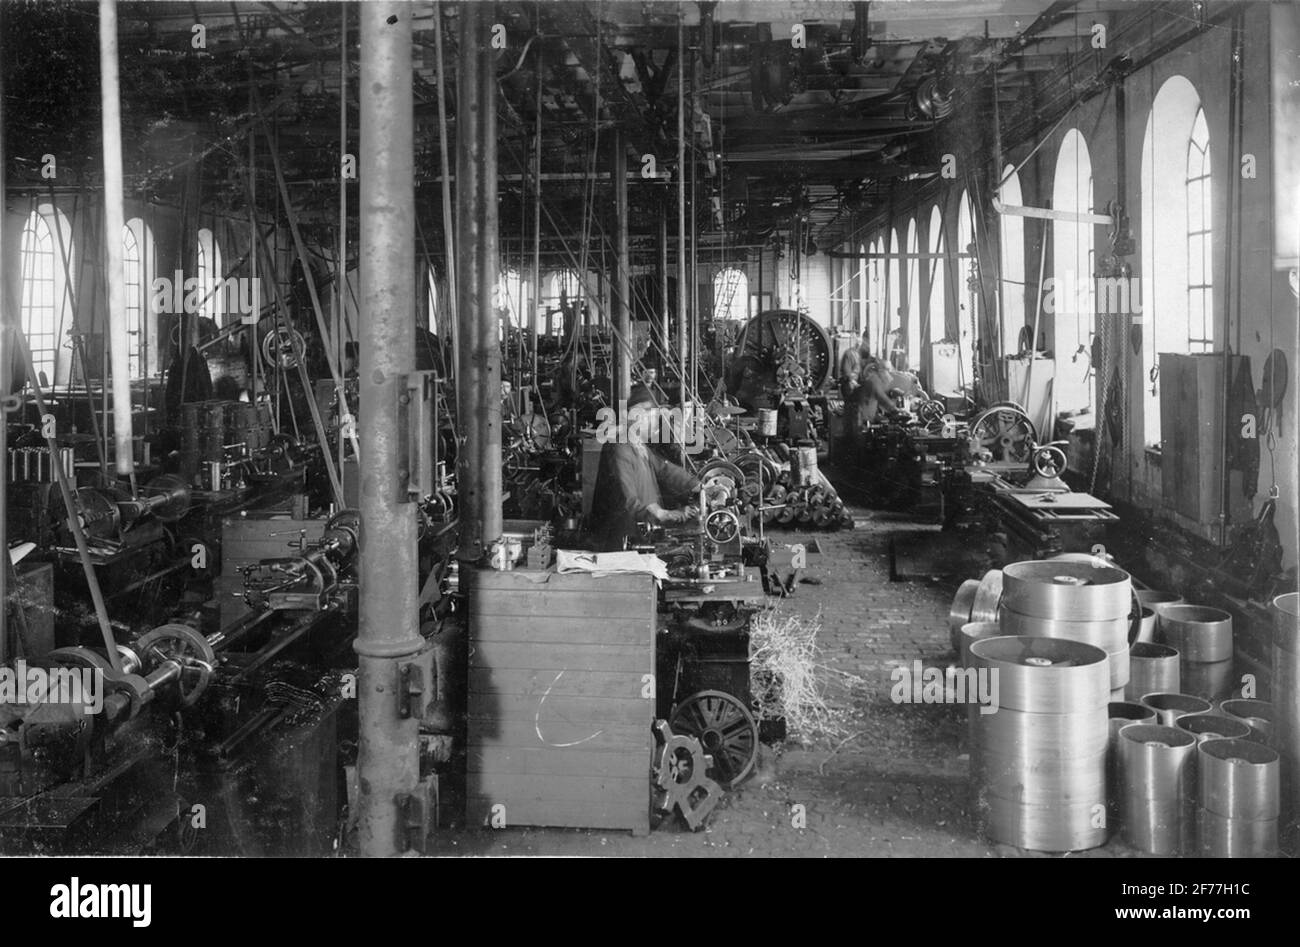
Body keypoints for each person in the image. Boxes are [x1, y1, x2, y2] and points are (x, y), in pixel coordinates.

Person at [589, 384, 700, 551]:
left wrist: (698, 486)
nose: (657, 424)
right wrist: (663, 514)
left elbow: (664, 469)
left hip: (640, 530)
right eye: (654, 417)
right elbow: (627, 498)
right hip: (621, 541)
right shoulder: (619, 447)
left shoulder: (638, 444)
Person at [847, 353, 928, 427]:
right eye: (887, 370)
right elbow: (883, 399)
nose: (889, 373)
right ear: (881, 370)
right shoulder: (874, 381)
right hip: (859, 418)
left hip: (860, 415)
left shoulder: (874, 379)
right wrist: (898, 411)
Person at [838, 332, 871, 400]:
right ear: (855, 343)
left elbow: (859, 370)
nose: (859, 344)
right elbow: (846, 372)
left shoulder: (858, 354)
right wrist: (853, 382)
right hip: (848, 385)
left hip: (854, 383)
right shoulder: (849, 354)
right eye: (858, 342)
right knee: (850, 403)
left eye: (861, 342)